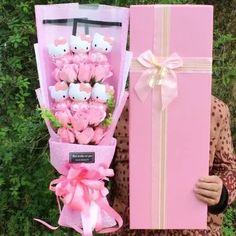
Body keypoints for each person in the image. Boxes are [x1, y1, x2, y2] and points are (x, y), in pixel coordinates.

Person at [110, 95, 236, 236]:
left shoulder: (215, 110)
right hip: (127, 227)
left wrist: (221, 192)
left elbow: (229, 168)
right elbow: (100, 167)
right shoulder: (120, 107)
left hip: (197, 230)